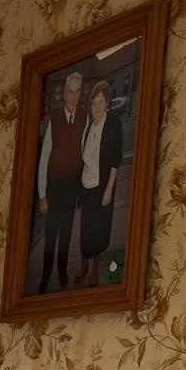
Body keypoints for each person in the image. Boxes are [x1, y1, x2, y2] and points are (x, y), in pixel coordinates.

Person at [35, 71, 86, 292]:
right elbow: (43, 160)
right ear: (64, 94)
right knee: (51, 234)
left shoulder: (84, 117)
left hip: (71, 185)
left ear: (80, 93)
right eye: (70, 92)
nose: (73, 96)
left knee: (66, 233)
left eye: (77, 91)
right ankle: (46, 274)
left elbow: (87, 149)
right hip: (54, 186)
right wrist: (42, 195)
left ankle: (62, 271)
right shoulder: (54, 121)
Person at [77, 79, 123, 287]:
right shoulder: (88, 127)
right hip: (86, 186)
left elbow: (115, 159)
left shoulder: (112, 123)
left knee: (99, 229)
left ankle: (95, 266)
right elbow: (84, 158)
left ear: (107, 103)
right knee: (85, 228)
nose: (96, 107)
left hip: (103, 186)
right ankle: (83, 264)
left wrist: (109, 189)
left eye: (100, 102)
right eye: (94, 103)